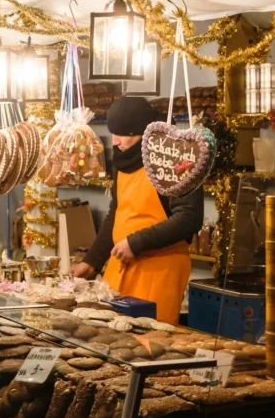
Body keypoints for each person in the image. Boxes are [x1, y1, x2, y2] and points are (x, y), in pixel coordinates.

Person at [72, 97, 203, 324]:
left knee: (148, 339)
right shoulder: (124, 163)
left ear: (143, 133)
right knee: (109, 335)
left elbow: (189, 218)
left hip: (159, 269)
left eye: (123, 134)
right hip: (120, 265)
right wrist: (92, 260)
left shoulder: (175, 162)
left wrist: (136, 243)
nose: (115, 142)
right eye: (113, 133)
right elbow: (117, 212)